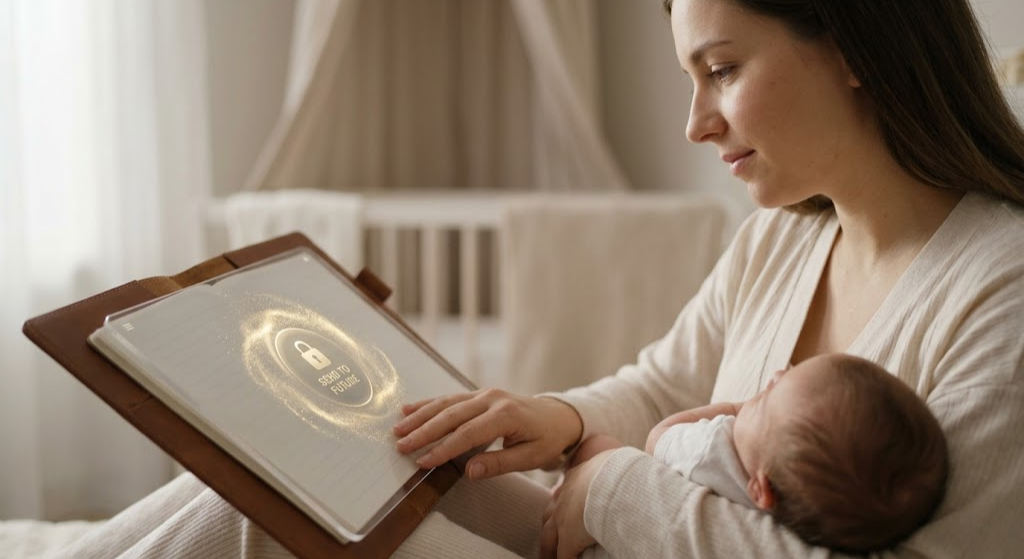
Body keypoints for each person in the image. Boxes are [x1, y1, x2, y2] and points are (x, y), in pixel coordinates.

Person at [49, 0, 1024, 558]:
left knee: (272, 524)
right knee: (273, 478)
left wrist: (605, 488)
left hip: (615, 534)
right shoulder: (784, 239)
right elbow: (663, 387)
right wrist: (552, 419)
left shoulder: (1000, 288)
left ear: (853, 44)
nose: (695, 123)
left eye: (720, 68)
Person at [570, 353, 949, 558]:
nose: (775, 374)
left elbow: (658, 438)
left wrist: (734, 409)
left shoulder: (712, 452)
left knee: (599, 449)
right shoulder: (802, 516)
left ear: (760, 489)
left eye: (766, 398)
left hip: (611, 544)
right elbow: (658, 382)